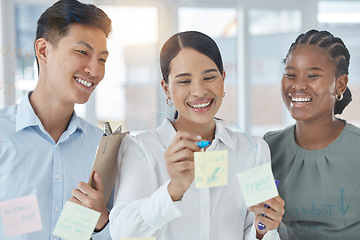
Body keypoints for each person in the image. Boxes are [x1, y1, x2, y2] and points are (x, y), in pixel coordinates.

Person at [109, 31, 285, 240]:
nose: (199, 91)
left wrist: (262, 229)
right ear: (166, 88)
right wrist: (173, 190)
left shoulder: (253, 151)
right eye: (184, 81)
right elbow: (122, 233)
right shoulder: (141, 149)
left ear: (223, 78)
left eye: (209, 77)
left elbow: (256, 229)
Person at [0, 0, 112, 239]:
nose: (95, 70)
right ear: (43, 51)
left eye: (102, 59)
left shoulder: (101, 147)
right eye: (83, 52)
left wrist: (102, 223)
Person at [263, 29, 358, 239]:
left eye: (313, 76)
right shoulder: (267, 148)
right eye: (290, 74)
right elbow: (250, 225)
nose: (297, 85)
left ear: (340, 84)